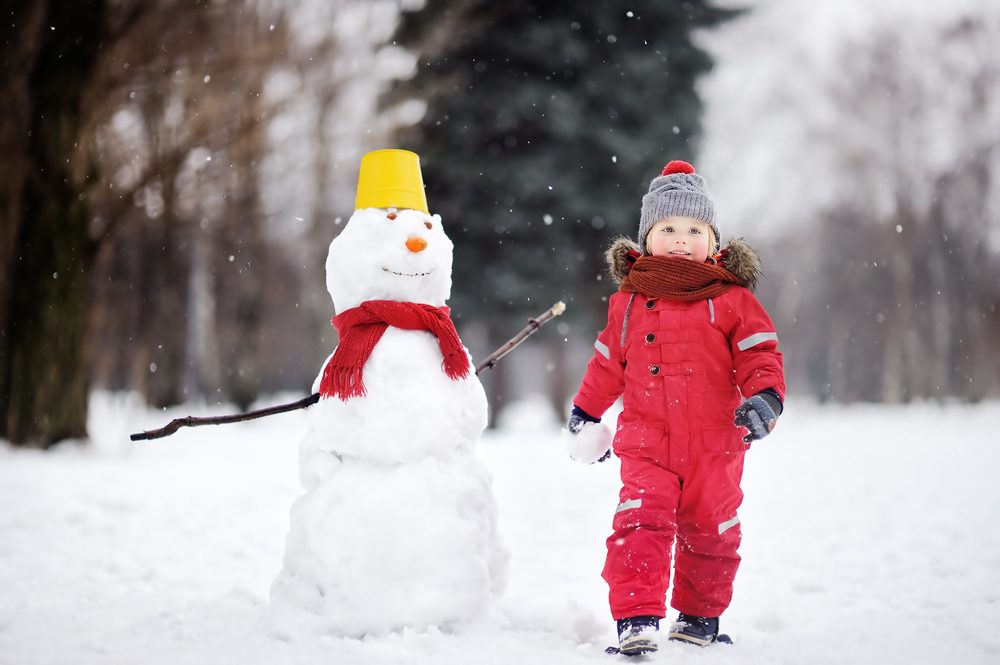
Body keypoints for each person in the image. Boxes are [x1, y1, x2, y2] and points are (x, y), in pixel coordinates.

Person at [566, 160, 785, 656]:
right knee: (639, 523)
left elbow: (760, 353)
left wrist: (765, 398)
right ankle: (637, 618)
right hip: (648, 443)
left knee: (713, 530)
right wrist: (586, 412)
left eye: (693, 229)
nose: (681, 239)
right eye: (667, 229)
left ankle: (699, 617)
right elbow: (607, 363)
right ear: (646, 239)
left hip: (716, 443)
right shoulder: (628, 303)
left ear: (713, 240)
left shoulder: (731, 299)